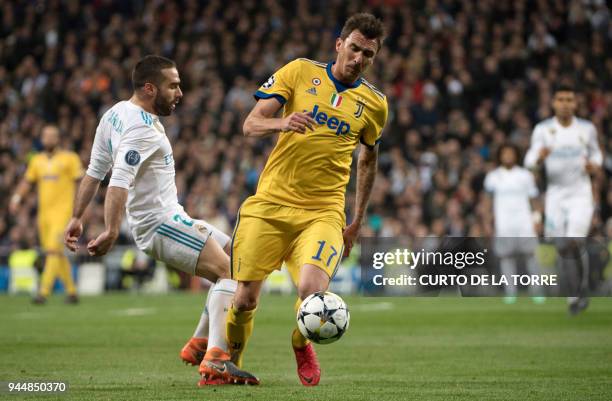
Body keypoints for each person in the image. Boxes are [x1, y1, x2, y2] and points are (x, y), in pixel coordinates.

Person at [63, 55, 258, 385]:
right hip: (160, 224)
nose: (180, 92)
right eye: (174, 85)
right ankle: (216, 360)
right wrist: (111, 230)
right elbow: (118, 180)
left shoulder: (114, 116)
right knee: (229, 273)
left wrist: (76, 217)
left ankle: (199, 344)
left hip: (172, 217)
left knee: (239, 258)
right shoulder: (140, 128)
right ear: (150, 88)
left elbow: (95, 172)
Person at [227, 13, 388, 386]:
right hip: (269, 205)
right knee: (245, 300)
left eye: (368, 54)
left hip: (324, 211)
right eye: (354, 48)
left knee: (312, 291)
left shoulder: (375, 103)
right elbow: (250, 124)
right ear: (339, 44)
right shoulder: (300, 72)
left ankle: (301, 343)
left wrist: (356, 221)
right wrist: (281, 122)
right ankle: (228, 366)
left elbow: (368, 160)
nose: (359, 59)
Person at [524, 84, 603, 315]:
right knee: (562, 248)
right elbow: (529, 160)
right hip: (555, 194)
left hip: (580, 193)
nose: (565, 104)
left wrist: (594, 164)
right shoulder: (543, 129)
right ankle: (573, 296)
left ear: (575, 103)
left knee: (574, 242)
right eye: (561, 99)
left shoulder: (586, 129)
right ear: (553, 103)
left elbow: (596, 152)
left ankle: (582, 290)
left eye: (570, 99)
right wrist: (538, 158)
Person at [10, 124, 83, 304]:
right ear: (42, 139)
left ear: (58, 139)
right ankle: (72, 292)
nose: (49, 139)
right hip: (44, 216)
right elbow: (27, 182)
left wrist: (81, 209)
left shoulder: (70, 158)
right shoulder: (37, 160)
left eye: (52, 136)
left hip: (64, 214)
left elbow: (80, 182)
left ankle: (43, 292)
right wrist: (16, 198)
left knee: (52, 251)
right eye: (46, 136)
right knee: (56, 254)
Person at [484, 143, 544, 303]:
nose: (508, 156)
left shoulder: (525, 176)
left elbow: (534, 200)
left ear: (516, 155)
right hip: (504, 224)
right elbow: (487, 202)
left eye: (511, 153)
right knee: (506, 258)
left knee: (531, 256)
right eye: (505, 154)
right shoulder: (493, 177)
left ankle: (537, 291)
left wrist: (537, 219)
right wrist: (487, 222)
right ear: (500, 156)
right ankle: (511, 292)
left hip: (525, 222)